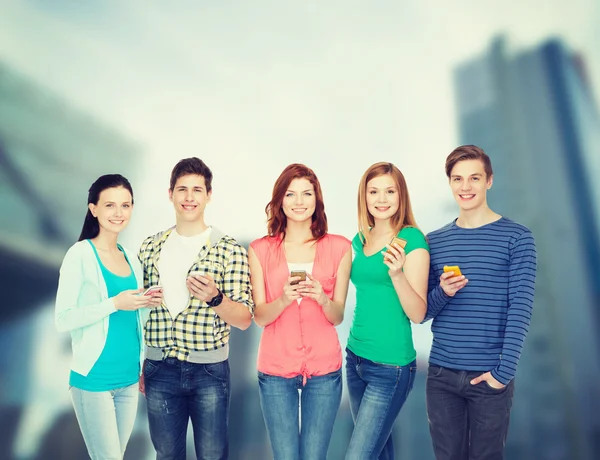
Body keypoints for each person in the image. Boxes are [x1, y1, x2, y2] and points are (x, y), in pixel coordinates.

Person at [424, 145, 537, 460]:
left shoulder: (518, 238)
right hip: (441, 376)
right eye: (458, 179)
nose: (465, 186)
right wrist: (443, 292)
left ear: (489, 181)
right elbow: (423, 314)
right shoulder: (434, 241)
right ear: (450, 183)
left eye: (474, 178)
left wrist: (502, 374)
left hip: (489, 376)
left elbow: (521, 308)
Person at [138, 157, 253, 460]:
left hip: (209, 372)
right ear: (170, 194)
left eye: (197, 190)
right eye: (182, 189)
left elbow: (244, 319)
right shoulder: (150, 247)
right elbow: (142, 313)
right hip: (159, 369)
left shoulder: (229, 250)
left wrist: (216, 298)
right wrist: (141, 362)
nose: (189, 197)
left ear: (209, 195)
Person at [249, 164, 352, 460]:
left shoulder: (340, 248)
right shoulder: (259, 250)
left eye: (306, 193)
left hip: (324, 369)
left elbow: (337, 316)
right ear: (280, 200)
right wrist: (282, 299)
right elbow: (259, 316)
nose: (299, 201)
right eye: (291, 194)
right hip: (275, 369)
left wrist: (321, 297)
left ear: (316, 199)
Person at [55, 174, 162, 460]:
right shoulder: (79, 254)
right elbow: (62, 319)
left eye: (125, 206)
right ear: (93, 208)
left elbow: (131, 315)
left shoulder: (130, 256)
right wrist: (113, 303)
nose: (119, 213)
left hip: (128, 379)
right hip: (94, 380)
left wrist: (147, 302)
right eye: (110, 205)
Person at [345, 162, 430, 460]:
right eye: (374, 191)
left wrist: (397, 274)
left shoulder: (412, 240)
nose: (381, 199)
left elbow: (418, 313)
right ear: (364, 197)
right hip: (355, 358)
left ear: (401, 195)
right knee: (378, 453)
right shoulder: (360, 239)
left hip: (391, 366)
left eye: (390, 191)